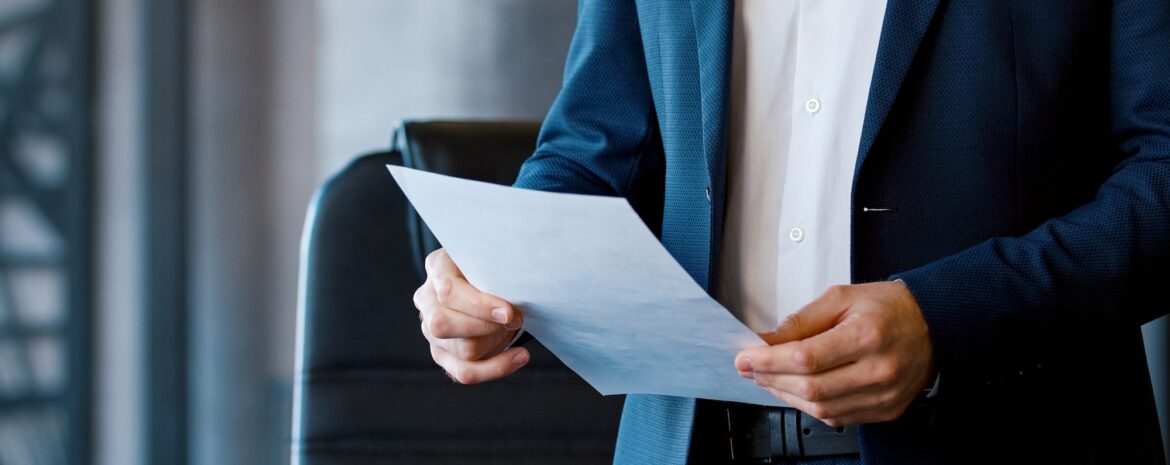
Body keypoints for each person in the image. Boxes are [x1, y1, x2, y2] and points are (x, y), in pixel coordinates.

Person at [411, 1, 1170, 463]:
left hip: (1010, 440)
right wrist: (495, 268)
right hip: (692, 446)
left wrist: (946, 318)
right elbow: (595, 148)